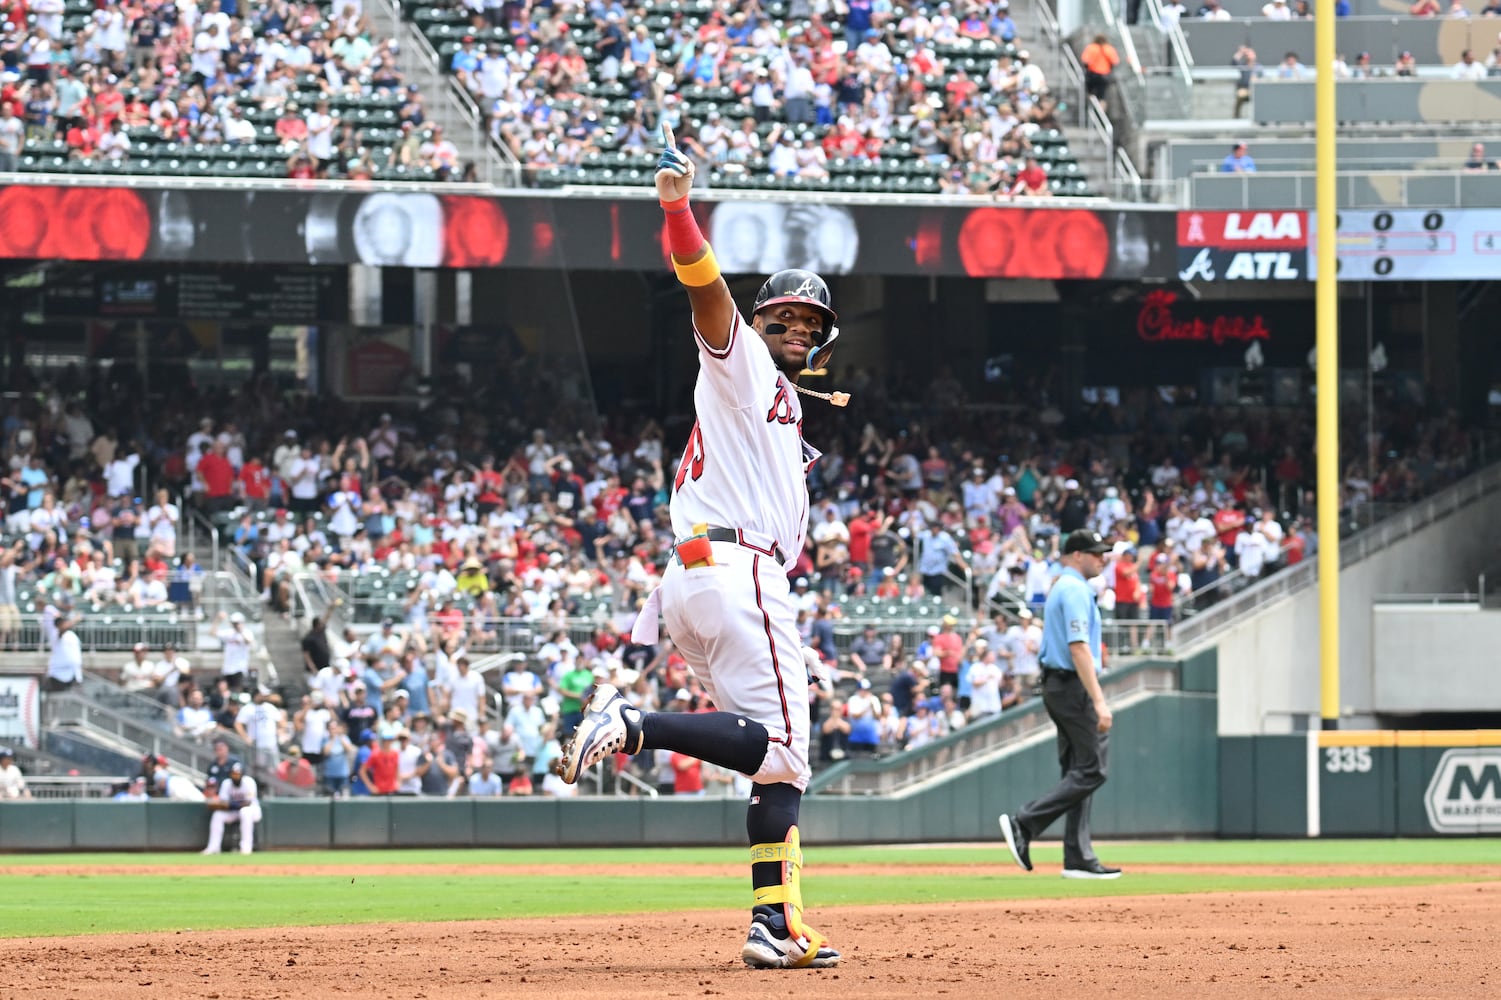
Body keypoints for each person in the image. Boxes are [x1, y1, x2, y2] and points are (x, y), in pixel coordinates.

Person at [557, 125, 841, 970]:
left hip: (702, 576)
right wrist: (680, 213)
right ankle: (629, 724)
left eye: (808, 319)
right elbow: (706, 294)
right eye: (782, 313)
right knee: (787, 750)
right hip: (733, 568)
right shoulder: (743, 362)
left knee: (775, 767)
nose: (793, 324)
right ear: (760, 322)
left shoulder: (778, 405)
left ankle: (772, 925)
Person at [1000, 529, 1122, 881]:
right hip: (1071, 685)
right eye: (1097, 553)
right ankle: (1025, 822)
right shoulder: (1073, 588)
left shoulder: (1068, 587)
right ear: (1076, 554)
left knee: (1079, 769)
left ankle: (1078, 856)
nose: (1103, 559)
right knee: (1093, 769)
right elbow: (1079, 647)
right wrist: (1099, 701)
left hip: (1061, 684)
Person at [201, 761, 262, 854]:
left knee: (245, 812)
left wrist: (231, 804)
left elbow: (247, 803)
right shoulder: (227, 783)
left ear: (242, 774)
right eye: (233, 774)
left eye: (237, 774)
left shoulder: (249, 782)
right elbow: (223, 803)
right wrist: (232, 804)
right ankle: (213, 847)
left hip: (252, 810)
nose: (235, 776)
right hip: (234, 811)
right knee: (218, 815)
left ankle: (246, 848)